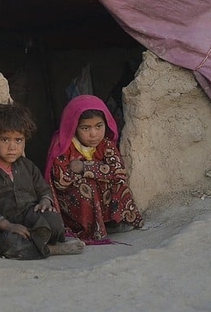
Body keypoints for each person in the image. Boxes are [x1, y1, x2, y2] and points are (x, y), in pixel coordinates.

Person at [0, 103, 85, 259]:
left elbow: (43, 189)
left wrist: (45, 201)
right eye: (5, 139)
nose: (12, 147)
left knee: (55, 222)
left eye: (18, 140)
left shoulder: (27, 165)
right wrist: (8, 226)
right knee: (11, 244)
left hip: (30, 217)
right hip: (2, 227)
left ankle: (41, 244)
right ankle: (52, 250)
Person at [44, 94, 144, 242]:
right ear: (73, 126)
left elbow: (118, 171)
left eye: (99, 126)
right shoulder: (63, 145)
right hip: (74, 201)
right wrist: (98, 173)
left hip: (101, 194)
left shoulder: (106, 144)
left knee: (120, 184)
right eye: (85, 128)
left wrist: (85, 167)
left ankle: (115, 221)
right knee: (86, 186)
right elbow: (61, 180)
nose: (94, 134)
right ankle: (87, 231)